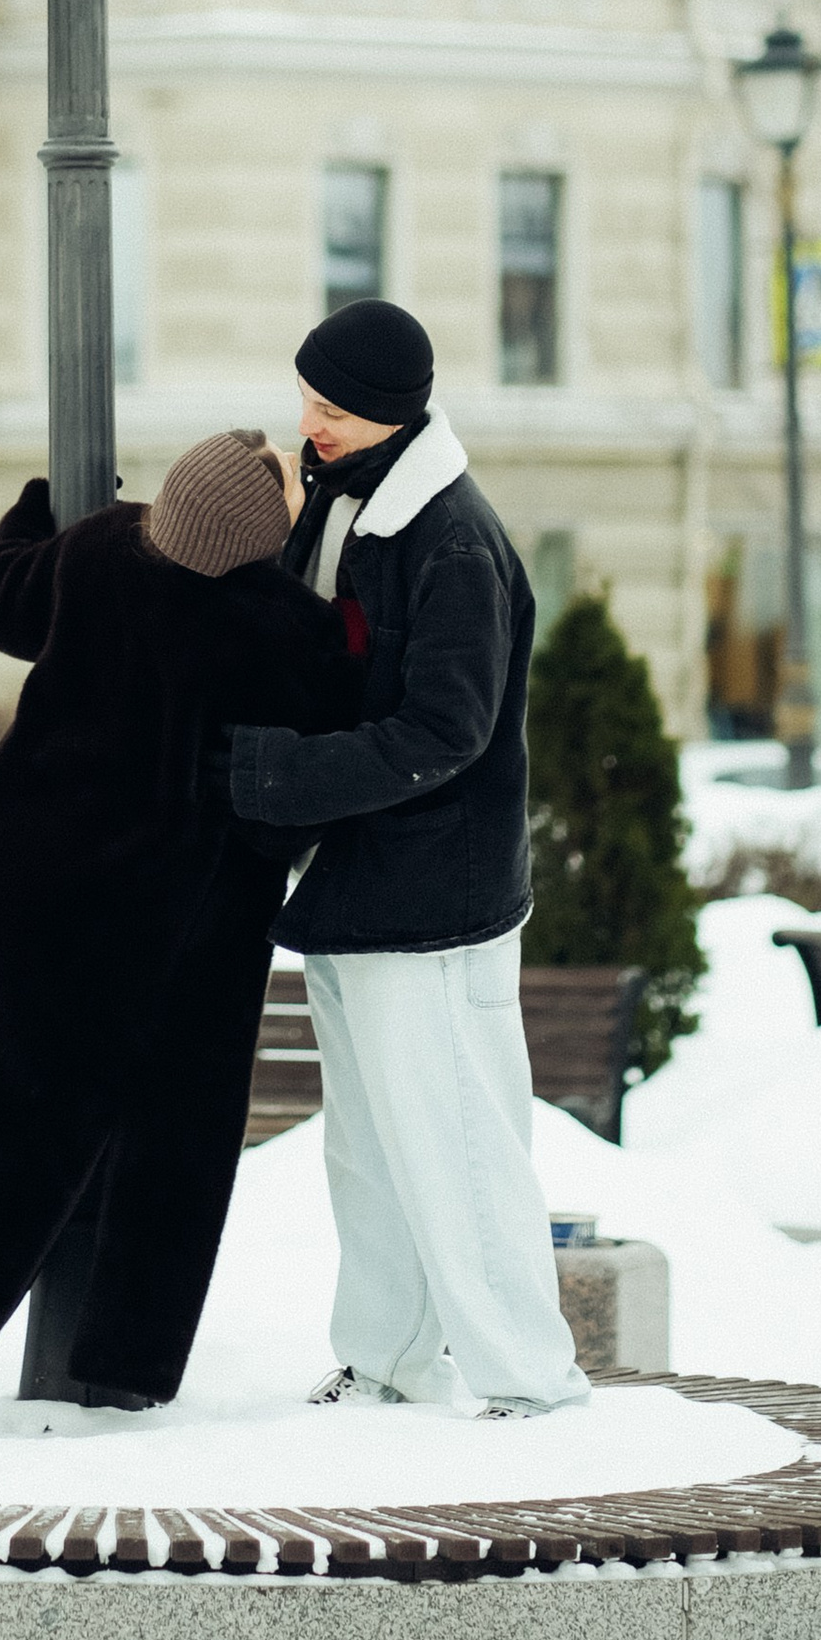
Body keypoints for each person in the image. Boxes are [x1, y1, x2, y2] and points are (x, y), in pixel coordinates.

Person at [0, 430, 364, 1438]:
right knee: (33, 1147)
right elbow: (325, 765)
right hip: (130, 937)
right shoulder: (288, 634)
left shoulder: (100, 550)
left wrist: (40, 504)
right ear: (257, 536)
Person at [224, 297, 588, 1418]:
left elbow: (445, 734)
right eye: (305, 399)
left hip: (434, 899)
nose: (309, 423)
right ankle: (385, 1363)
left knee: (463, 1152)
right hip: (358, 891)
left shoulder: (454, 541)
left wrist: (272, 776)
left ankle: (531, 1387)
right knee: (374, 1155)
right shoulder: (345, 499)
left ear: (385, 414)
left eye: (329, 408)